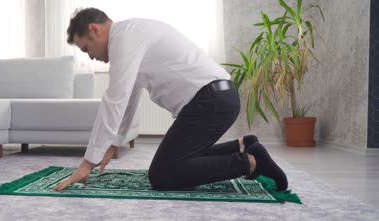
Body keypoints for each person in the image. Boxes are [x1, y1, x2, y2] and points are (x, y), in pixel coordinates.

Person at [53, 8, 288, 192]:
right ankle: (244, 145)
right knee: (180, 159)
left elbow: (115, 99)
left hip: (210, 102)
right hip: (216, 99)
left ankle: (251, 161)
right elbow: (130, 97)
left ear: (94, 30)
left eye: (86, 48)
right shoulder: (131, 35)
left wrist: (86, 163)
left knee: (163, 174)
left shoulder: (124, 38)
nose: (91, 55)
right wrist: (113, 142)